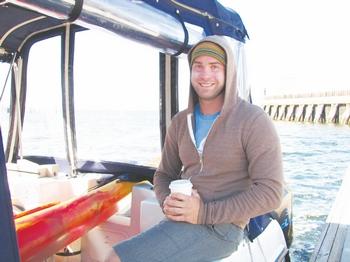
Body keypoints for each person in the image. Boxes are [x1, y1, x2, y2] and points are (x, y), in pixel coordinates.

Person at [105, 35, 284, 262]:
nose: (205, 74)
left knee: (115, 258)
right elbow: (163, 174)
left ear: (228, 72)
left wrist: (203, 213)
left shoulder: (253, 119)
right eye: (198, 66)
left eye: (214, 66)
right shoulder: (180, 121)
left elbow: (271, 192)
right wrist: (166, 202)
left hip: (223, 228)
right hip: (182, 221)